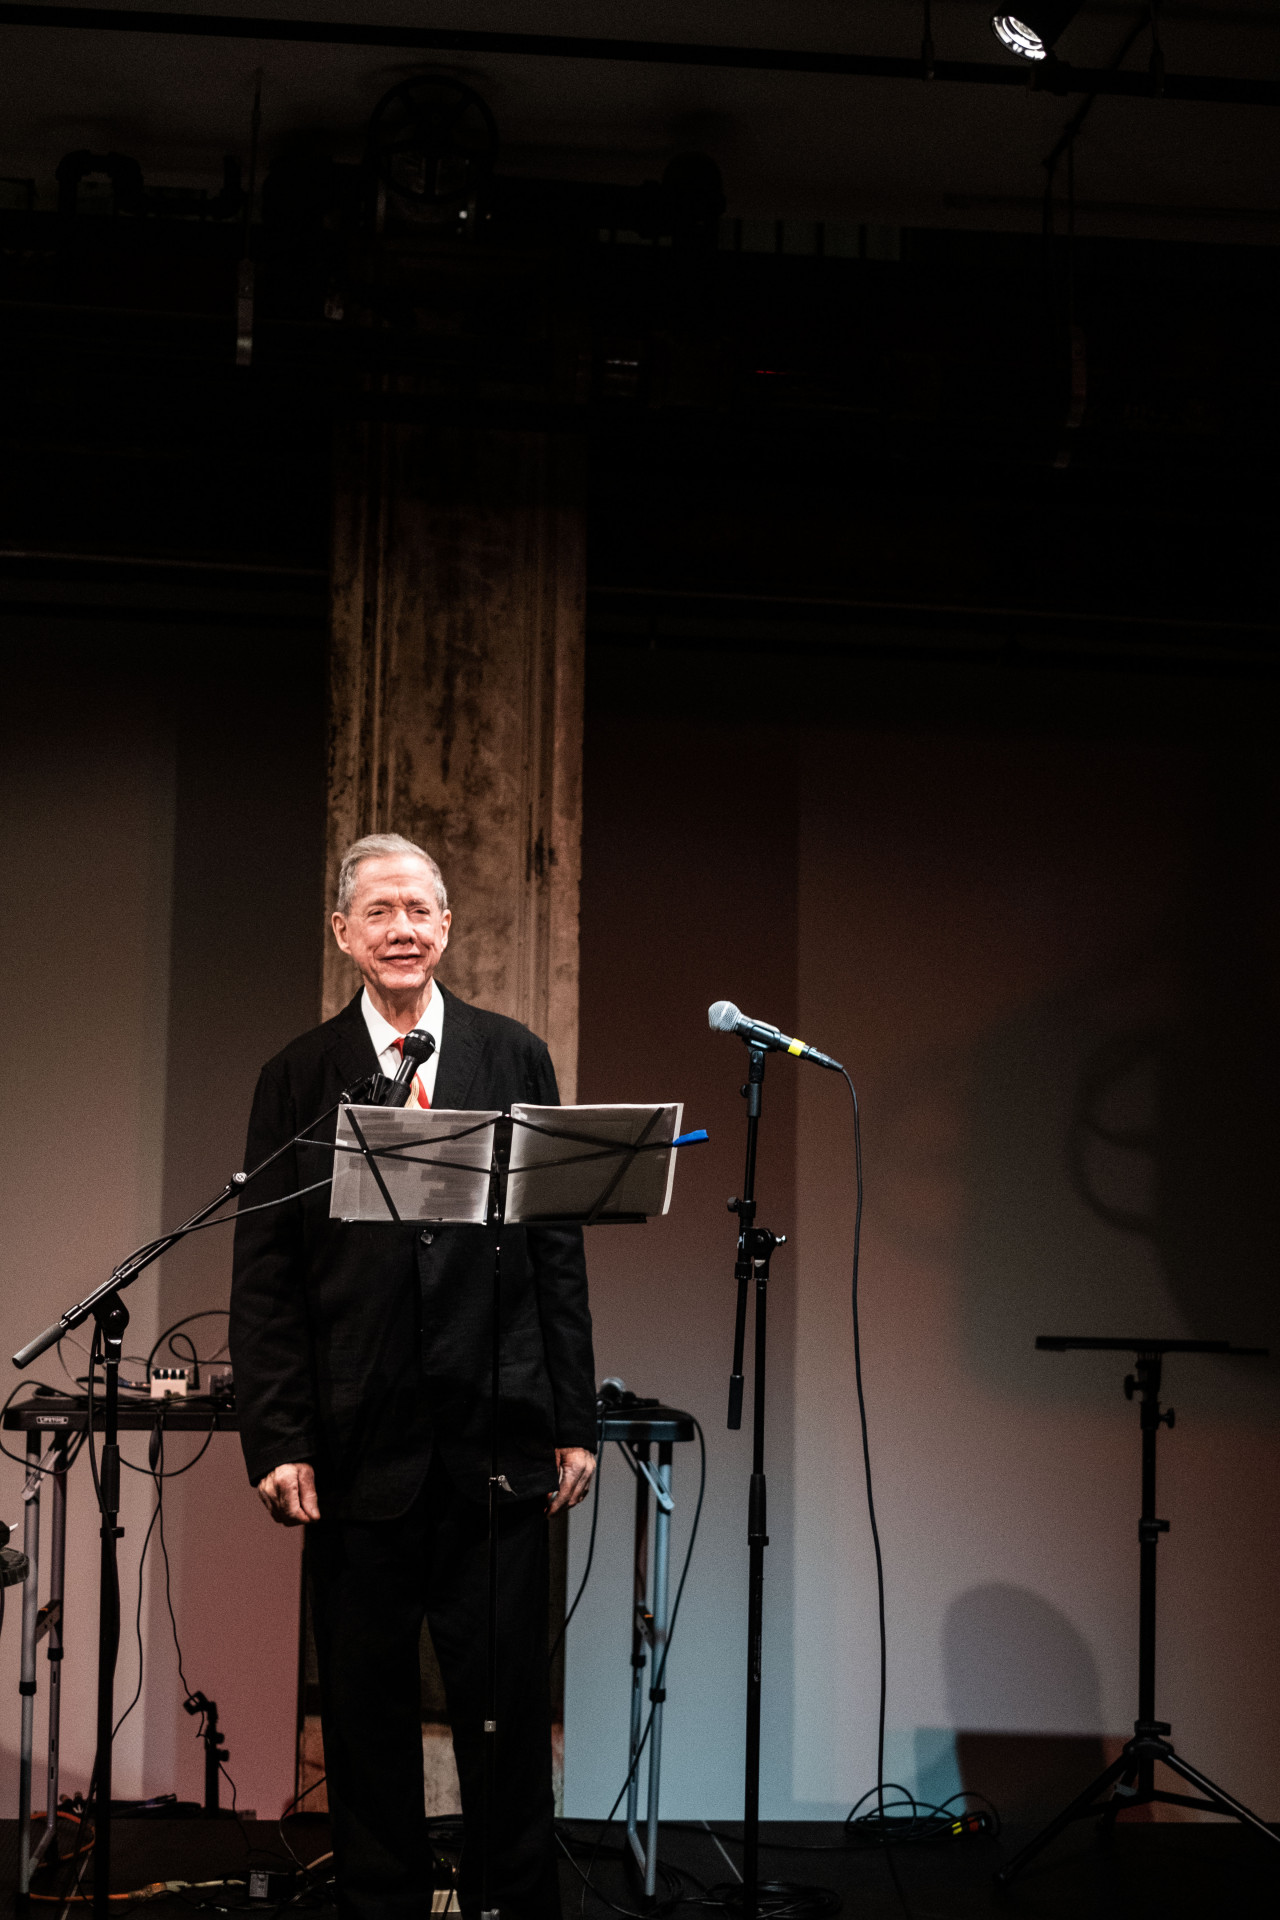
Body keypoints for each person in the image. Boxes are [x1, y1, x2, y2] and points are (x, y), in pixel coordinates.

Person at [230, 832, 597, 1920]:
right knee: (364, 1708)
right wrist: (278, 1434)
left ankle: (511, 1904)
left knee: (503, 1705)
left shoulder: (511, 1054)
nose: (400, 928)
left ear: (445, 928)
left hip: (496, 1438)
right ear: (344, 933)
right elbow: (266, 1274)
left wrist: (568, 1416)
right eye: (377, 911)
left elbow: (555, 1253)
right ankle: (379, 1903)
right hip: (356, 1447)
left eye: (418, 910)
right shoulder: (298, 1074)